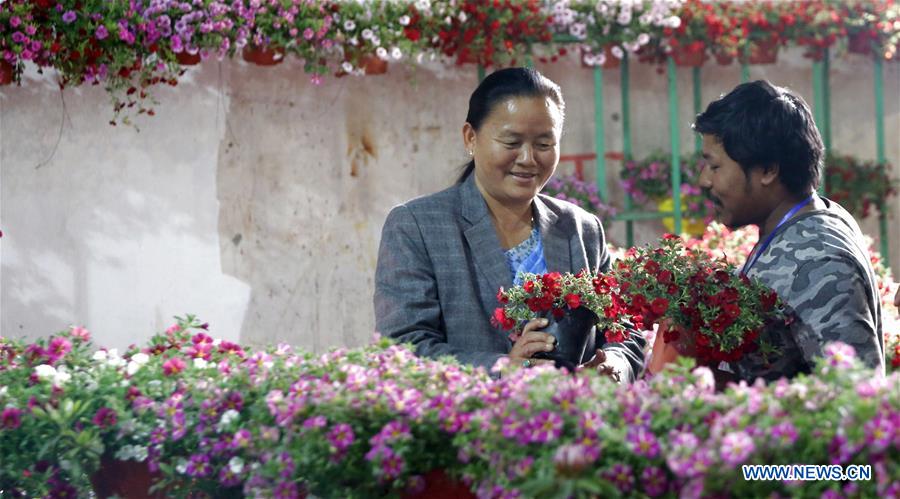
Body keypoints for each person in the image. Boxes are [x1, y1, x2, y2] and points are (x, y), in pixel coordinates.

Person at [374, 67, 645, 381]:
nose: (529, 158)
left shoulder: (581, 230)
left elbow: (625, 332)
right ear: (470, 138)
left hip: (572, 421)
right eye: (511, 142)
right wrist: (505, 369)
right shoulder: (417, 227)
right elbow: (402, 348)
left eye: (544, 144)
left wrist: (613, 367)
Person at [650, 80, 884, 381]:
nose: (703, 181)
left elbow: (857, 394)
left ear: (768, 170)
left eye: (715, 166)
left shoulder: (816, 256)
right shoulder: (798, 224)